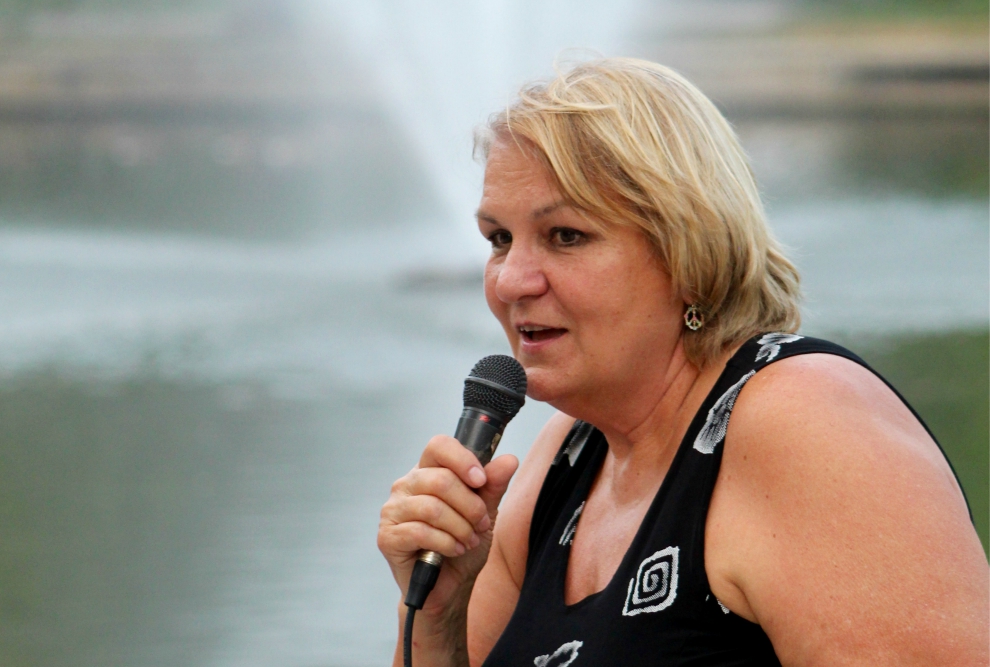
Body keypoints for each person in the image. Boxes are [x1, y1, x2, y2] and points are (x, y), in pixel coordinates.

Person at [377, 58, 988, 666]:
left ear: (689, 254)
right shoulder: (566, 458)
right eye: (498, 239)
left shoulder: (803, 422)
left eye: (566, 235)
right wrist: (436, 618)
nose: (510, 281)